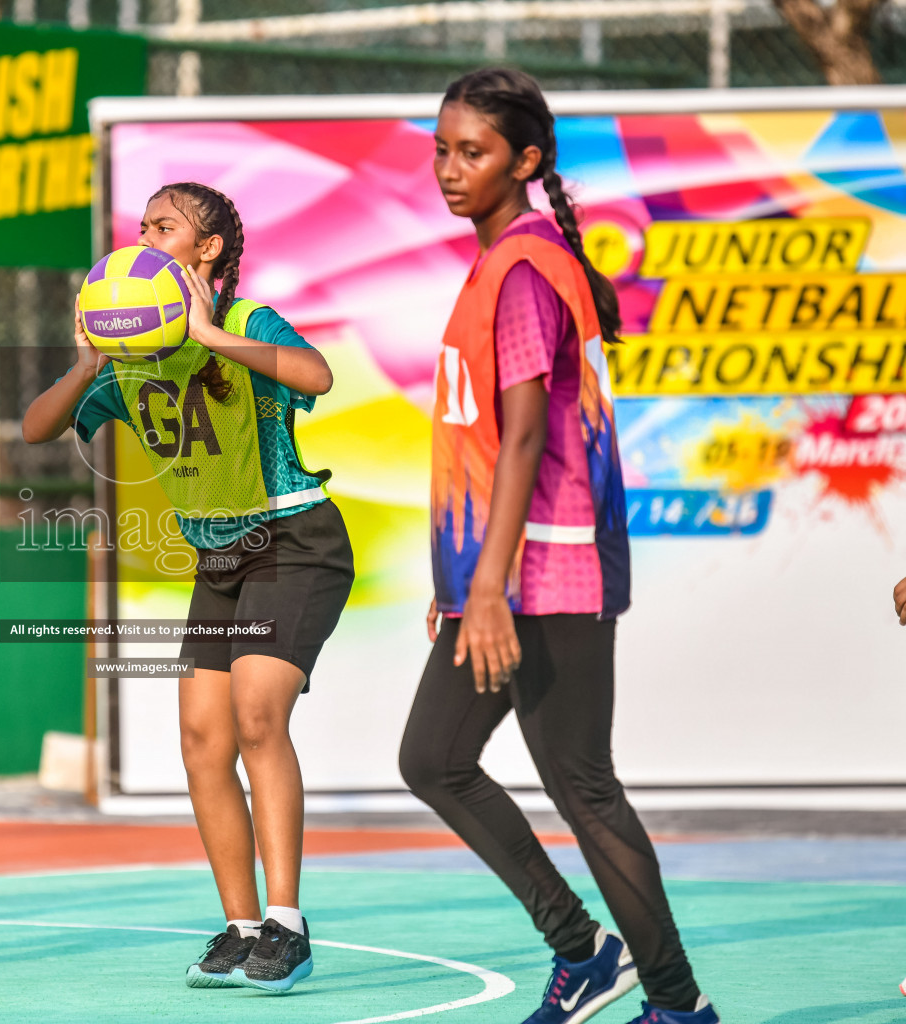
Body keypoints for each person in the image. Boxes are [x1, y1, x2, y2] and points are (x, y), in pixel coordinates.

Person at [396, 69, 720, 1024]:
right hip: (502, 575)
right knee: (436, 759)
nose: (451, 170)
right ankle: (583, 951)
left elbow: (530, 435)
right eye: (442, 150)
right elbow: (486, 439)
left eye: (474, 152)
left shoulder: (528, 268)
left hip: (547, 572)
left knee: (581, 785)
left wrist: (487, 583)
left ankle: (675, 1001)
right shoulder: (504, 259)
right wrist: (462, 578)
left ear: (526, 161)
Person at [23, 183, 354, 993]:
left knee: (253, 714)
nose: (145, 236)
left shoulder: (243, 324)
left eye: (164, 227)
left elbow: (316, 375)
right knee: (202, 739)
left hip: (294, 539)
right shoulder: (130, 352)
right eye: (141, 227)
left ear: (206, 252)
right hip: (219, 558)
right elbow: (36, 427)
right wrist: (87, 364)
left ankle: (287, 924)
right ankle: (242, 926)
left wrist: (207, 332)